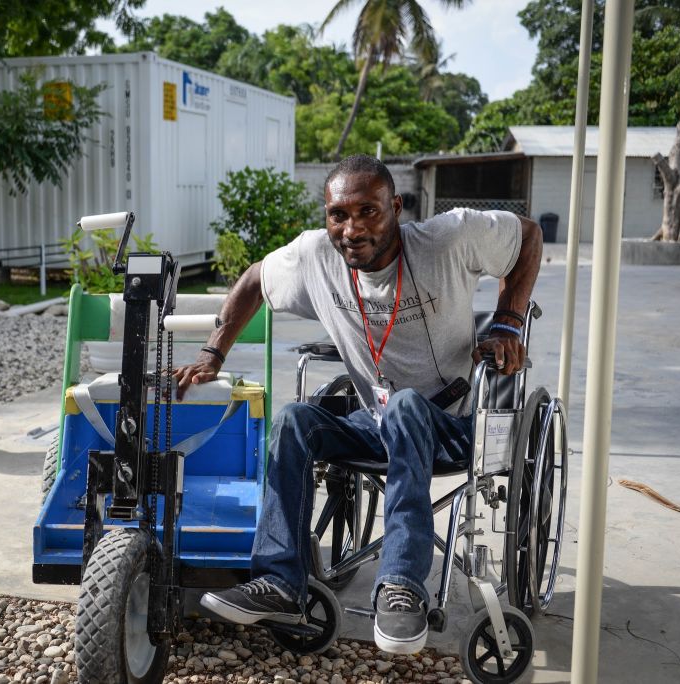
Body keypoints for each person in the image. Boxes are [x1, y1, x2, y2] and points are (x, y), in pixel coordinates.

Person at [173, 154, 542, 655]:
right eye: (338, 215)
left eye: (368, 211)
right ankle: (281, 580)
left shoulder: (448, 239)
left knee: (409, 404)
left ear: (396, 207)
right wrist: (212, 353)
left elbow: (528, 235)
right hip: (377, 420)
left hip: (454, 424)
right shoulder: (315, 258)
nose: (352, 228)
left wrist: (507, 321)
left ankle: (401, 586)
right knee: (294, 420)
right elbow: (255, 279)